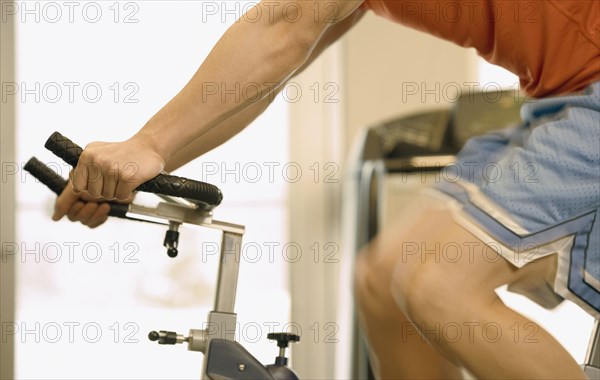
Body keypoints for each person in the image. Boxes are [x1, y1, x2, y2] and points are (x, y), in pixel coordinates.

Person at [52, 0, 599, 378]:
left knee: (439, 285)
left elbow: (280, 28)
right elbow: (269, 75)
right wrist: (147, 161)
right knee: (384, 281)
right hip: (559, 99)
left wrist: (146, 144)